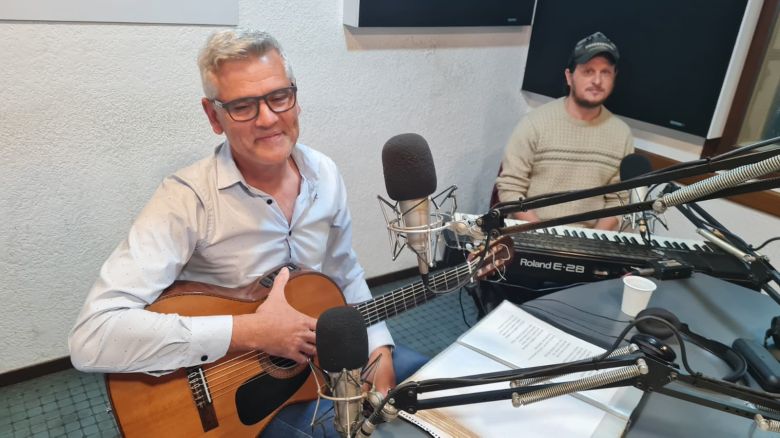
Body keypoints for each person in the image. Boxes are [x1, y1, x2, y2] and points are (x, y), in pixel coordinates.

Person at [68, 28, 427, 437]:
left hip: (319, 361)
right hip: (239, 400)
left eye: (279, 96)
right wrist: (250, 332)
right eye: (242, 105)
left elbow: (344, 271)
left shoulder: (325, 175)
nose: (268, 118)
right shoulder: (187, 200)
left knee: (427, 387)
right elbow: (92, 337)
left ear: (295, 96)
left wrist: (378, 348)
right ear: (212, 115)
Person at [495, 31, 634, 230]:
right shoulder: (535, 123)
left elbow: (618, 200)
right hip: (532, 230)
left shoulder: (622, 134)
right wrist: (541, 234)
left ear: (614, 77)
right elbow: (511, 187)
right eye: (588, 71)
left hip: (588, 241)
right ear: (569, 77)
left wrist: (592, 243)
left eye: (605, 72)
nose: (597, 80)